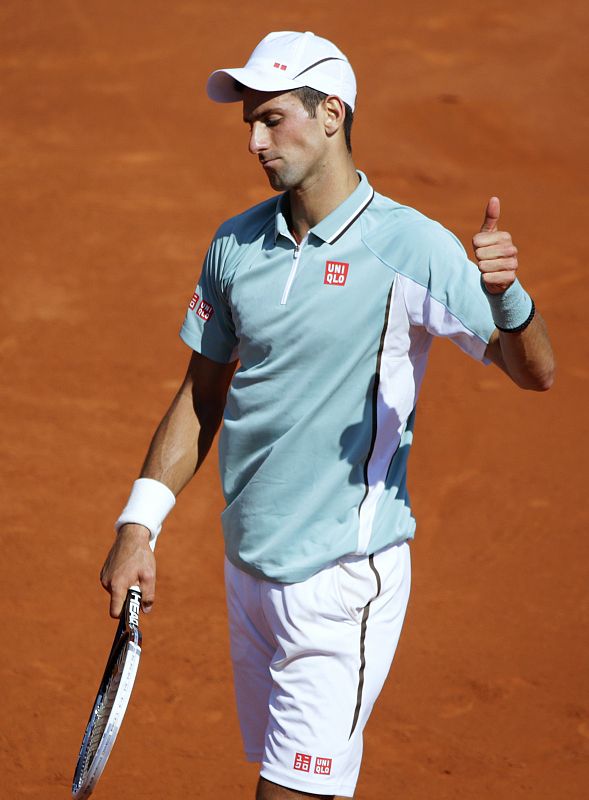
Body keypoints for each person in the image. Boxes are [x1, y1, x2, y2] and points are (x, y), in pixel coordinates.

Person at [100, 30, 554, 800]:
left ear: (332, 114)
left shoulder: (411, 247)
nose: (254, 140)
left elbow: (531, 371)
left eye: (272, 119)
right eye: (249, 121)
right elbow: (198, 396)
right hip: (247, 567)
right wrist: (138, 526)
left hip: (343, 579)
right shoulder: (236, 243)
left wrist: (508, 296)